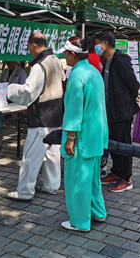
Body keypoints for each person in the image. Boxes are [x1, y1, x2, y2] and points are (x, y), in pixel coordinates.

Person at [6, 33, 65, 200]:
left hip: (41, 117)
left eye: (28, 46)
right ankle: (52, 186)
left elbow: (29, 91)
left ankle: (25, 191)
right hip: (56, 114)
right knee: (52, 153)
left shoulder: (39, 66)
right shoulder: (56, 60)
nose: (28, 50)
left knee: (31, 155)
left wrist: (10, 90)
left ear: (33, 45)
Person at [58, 37, 108, 232]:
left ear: (72, 54)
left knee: (77, 179)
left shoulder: (77, 75)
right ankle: (98, 212)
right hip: (95, 136)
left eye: (65, 53)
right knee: (92, 178)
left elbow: (74, 110)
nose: (64, 56)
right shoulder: (94, 72)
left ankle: (79, 221)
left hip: (81, 138)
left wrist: (70, 138)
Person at [96, 32, 140, 193]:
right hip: (110, 111)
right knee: (113, 144)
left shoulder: (120, 61)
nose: (96, 47)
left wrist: (129, 98)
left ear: (105, 44)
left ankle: (126, 178)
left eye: (97, 43)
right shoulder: (107, 61)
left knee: (124, 145)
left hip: (122, 111)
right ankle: (116, 172)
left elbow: (133, 84)